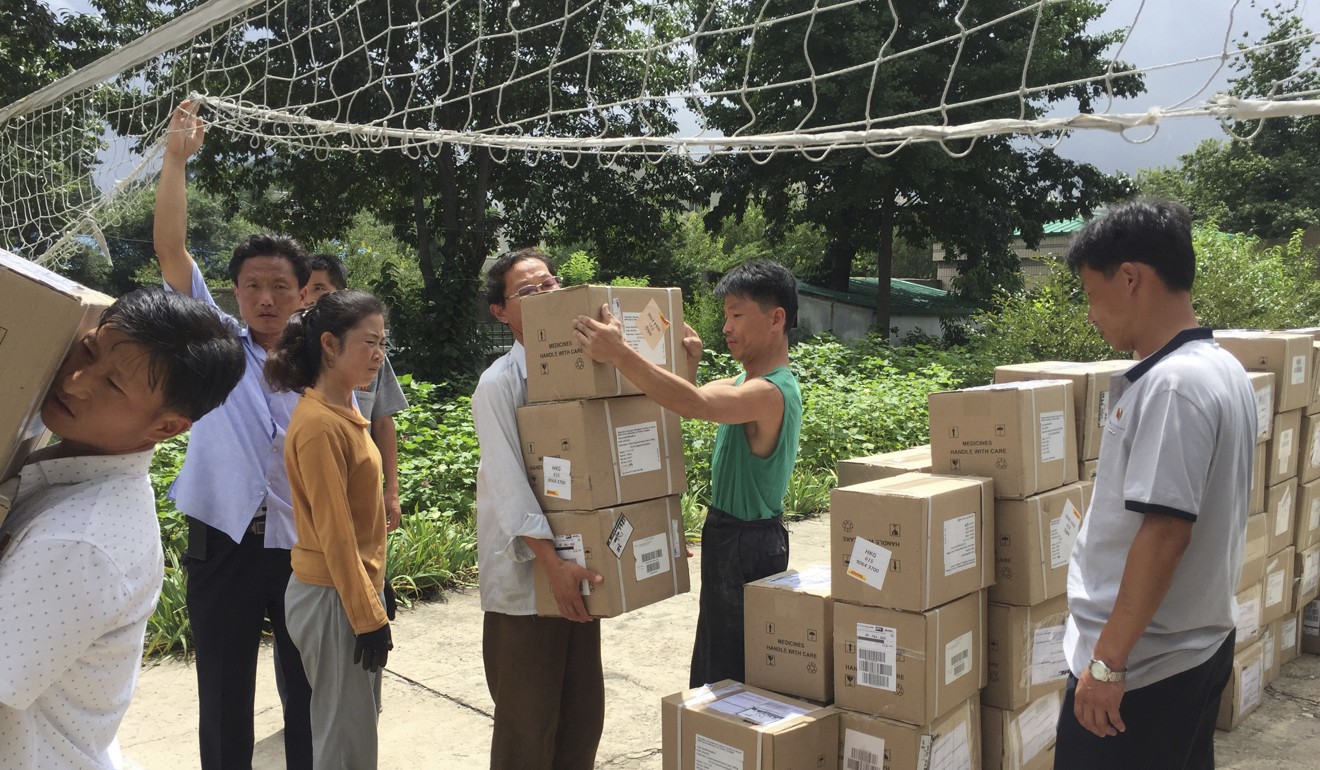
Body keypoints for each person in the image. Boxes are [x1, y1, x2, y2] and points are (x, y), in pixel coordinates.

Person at [0, 288, 243, 769]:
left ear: (167, 427)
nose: (74, 380)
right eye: (87, 351)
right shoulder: (59, 471)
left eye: (113, 385)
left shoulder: (81, 539)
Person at [1055, 200, 1255, 769]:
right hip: (1194, 645)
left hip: (1143, 670)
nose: (1091, 314)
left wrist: (1108, 664)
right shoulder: (1221, 368)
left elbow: (1166, 531)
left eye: (1092, 294)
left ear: (1131, 278)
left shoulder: (1175, 386)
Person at [154, 99, 314, 770]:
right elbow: (170, 249)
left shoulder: (325, 364)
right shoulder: (218, 341)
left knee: (306, 682)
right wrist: (173, 162)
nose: (267, 299)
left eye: (280, 286)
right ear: (236, 293)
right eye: (253, 287)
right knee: (223, 688)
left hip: (303, 540)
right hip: (222, 540)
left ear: (304, 293)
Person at [574, 259, 802, 687]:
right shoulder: (745, 383)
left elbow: (697, 405)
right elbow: (693, 400)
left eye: (737, 314)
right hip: (736, 538)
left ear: (776, 319)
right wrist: (688, 365)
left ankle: (727, 747)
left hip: (746, 543)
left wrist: (619, 353)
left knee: (728, 673)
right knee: (719, 659)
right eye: (725, 317)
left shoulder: (770, 391)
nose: (727, 327)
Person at [473, 248, 606, 770]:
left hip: (580, 570)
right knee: (527, 730)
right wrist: (553, 567)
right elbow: (509, 487)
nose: (546, 294)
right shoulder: (500, 384)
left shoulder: (583, 371)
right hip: (530, 582)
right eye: (528, 291)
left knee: (580, 719)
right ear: (501, 312)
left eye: (551, 284)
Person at [265, 290, 393, 770]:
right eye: (368, 342)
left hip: (350, 590)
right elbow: (335, 533)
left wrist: (380, 583)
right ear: (330, 345)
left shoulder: (346, 412)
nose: (378, 354)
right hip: (331, 599)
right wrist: (366, 615)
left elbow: (359, 525)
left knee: (354, 729)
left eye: (383, 343)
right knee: (345, 742)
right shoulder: (320, 424)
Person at [302, 253, 408, 532]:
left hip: (363, 493)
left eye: (320, 288)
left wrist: (392, 489)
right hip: (313, 502)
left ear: (342, 294)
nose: (310, 298)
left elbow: (384, 421)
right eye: (305, 289)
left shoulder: (371, 356)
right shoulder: (294, 357)